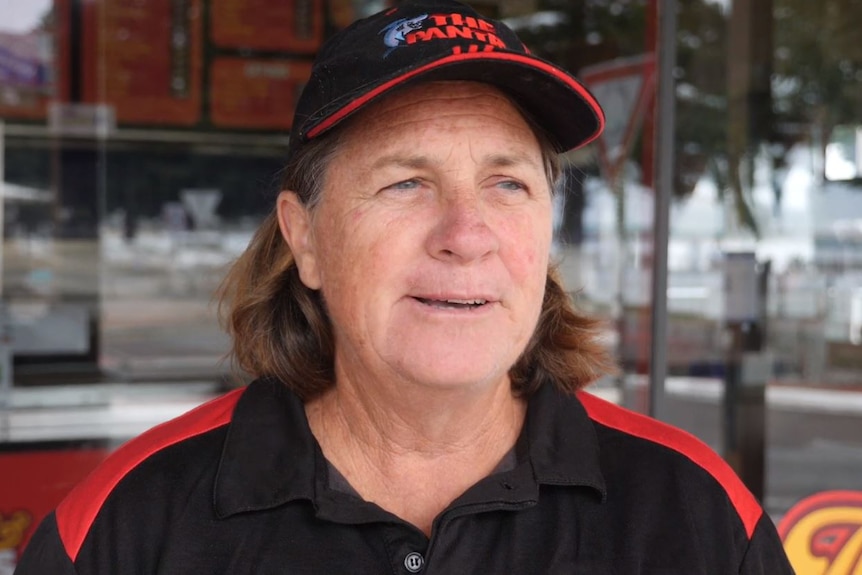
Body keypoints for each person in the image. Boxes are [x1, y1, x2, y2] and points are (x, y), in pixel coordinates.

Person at [16, 1, 795, 573]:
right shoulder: (127, 524)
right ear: (305, 237)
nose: (466, 232)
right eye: (406, 183)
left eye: (507, 184)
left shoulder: (694, 513)